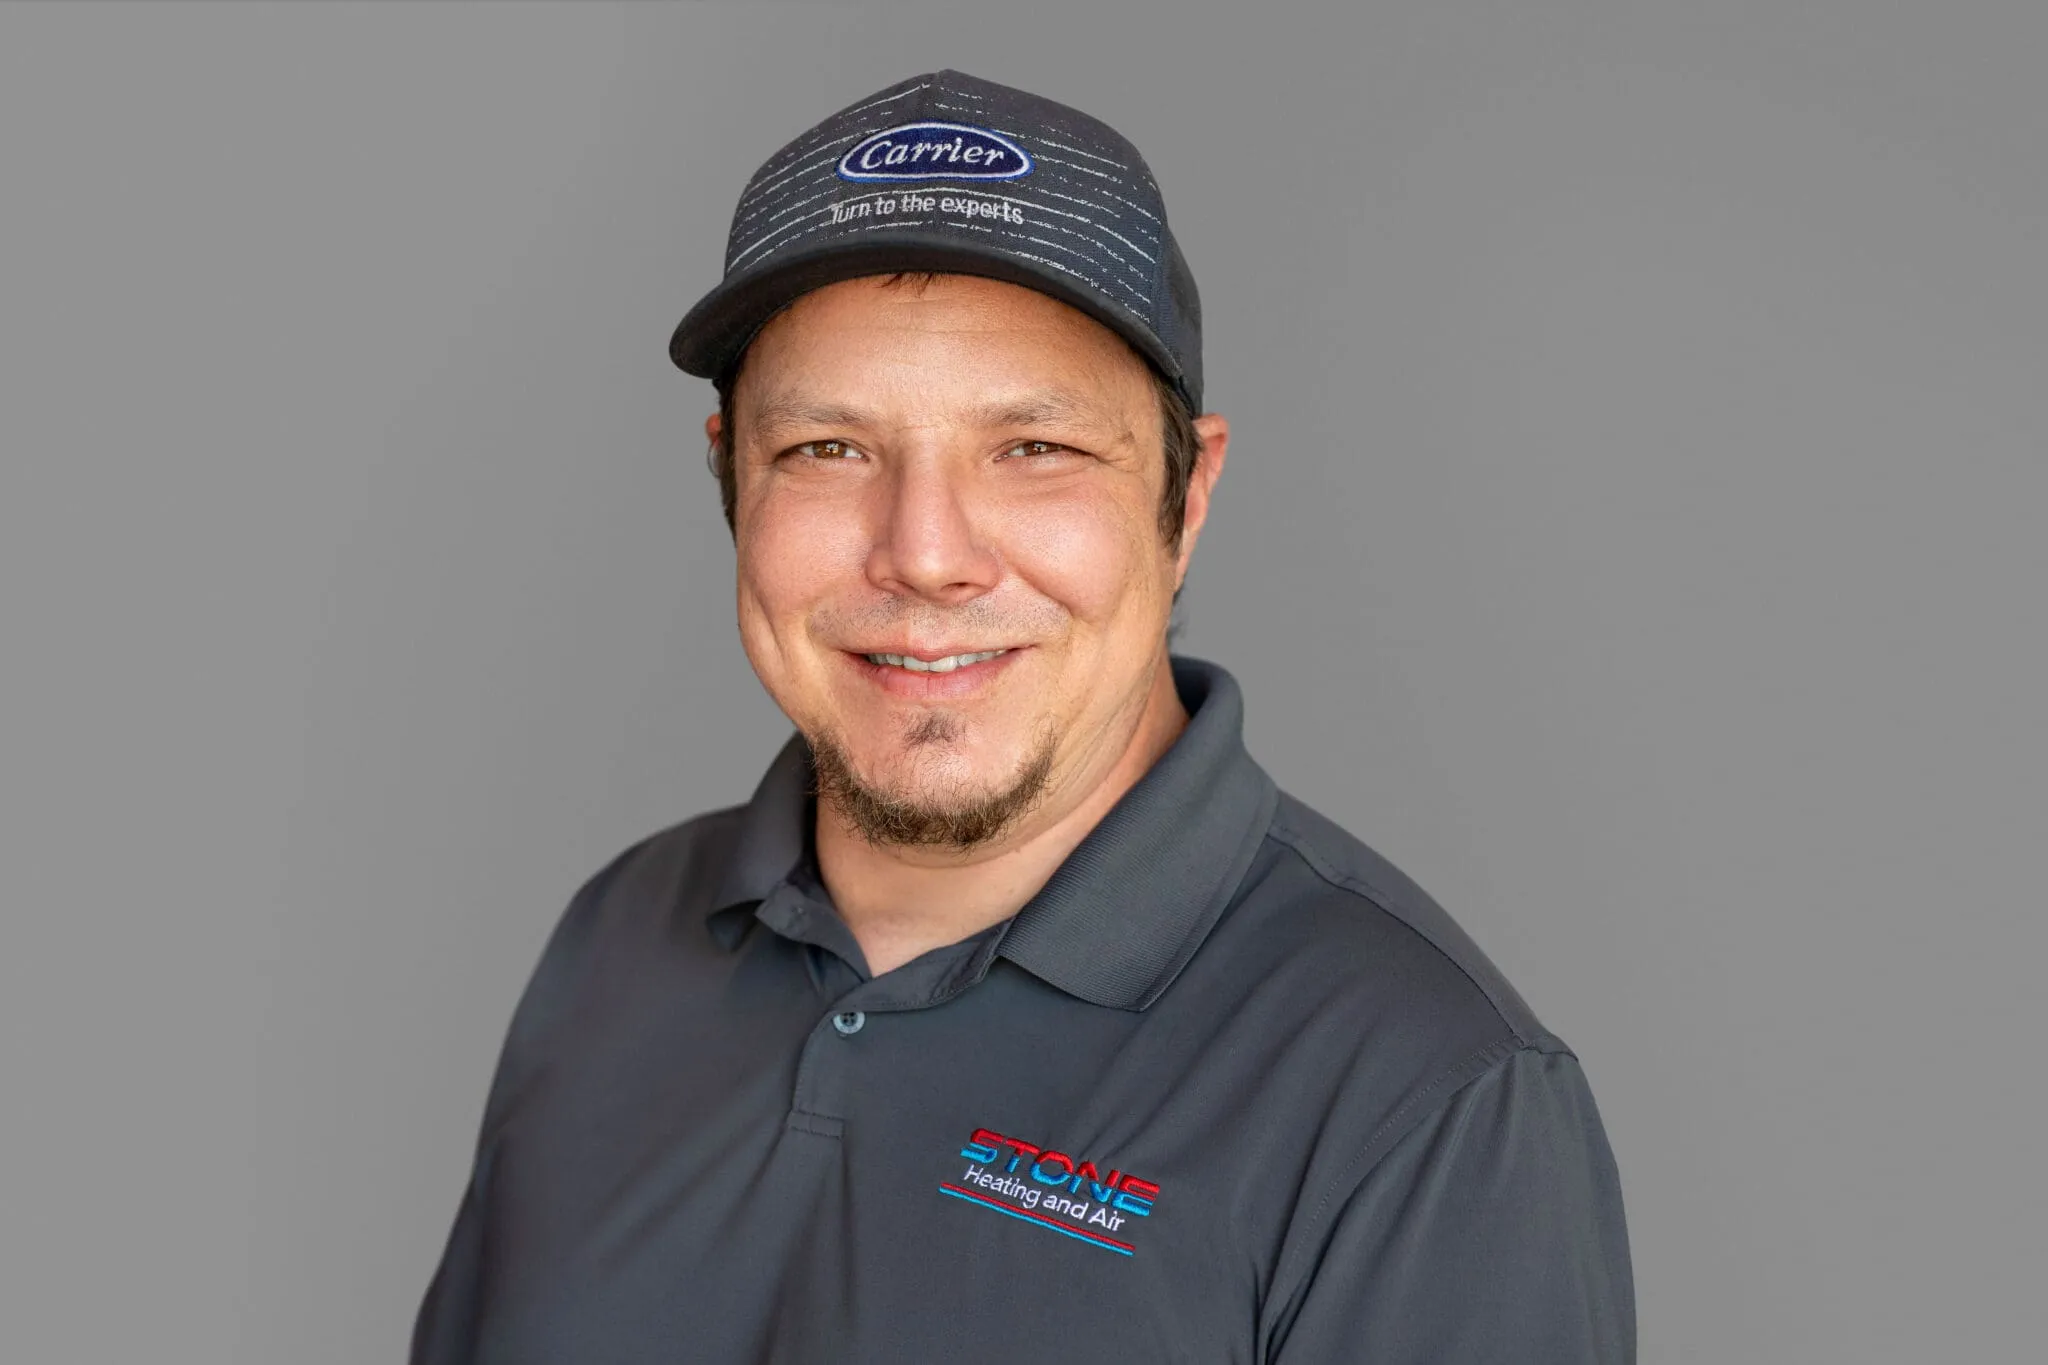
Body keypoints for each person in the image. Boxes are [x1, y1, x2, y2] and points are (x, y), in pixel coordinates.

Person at [410, 69, 1634, 1364]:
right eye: (828, 449)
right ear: (729, 476)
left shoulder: (1421, 1091)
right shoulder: (620, 936)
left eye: (1035, 448)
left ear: (1188, 490)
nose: (925, 555)